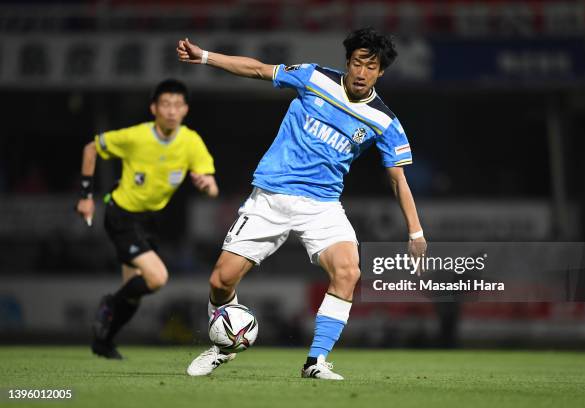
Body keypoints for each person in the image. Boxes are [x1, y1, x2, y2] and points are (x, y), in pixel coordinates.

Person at [176, 27, 427, 380]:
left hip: (321, 206)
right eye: (357, 63)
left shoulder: (385, 121)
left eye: (371, 67)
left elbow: (398, 179)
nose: (361, 72)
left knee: (348, 270)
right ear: (348, 62)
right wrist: (204, 56)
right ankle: (225, 345)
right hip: (271, 197)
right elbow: (258, 69)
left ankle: (316, 362)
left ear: (381, 72)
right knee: (220, 280)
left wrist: (415, 232)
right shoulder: (314, 77)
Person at [75, 79, 219, 359]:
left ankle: (103, 342)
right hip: (121, 215)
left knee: (134, 292)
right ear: (154, 108)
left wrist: (206, 186)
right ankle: (109, 304)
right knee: (157, 277)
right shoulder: (136, 137)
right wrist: (85, 195)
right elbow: (90, 149)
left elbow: (212, 187)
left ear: (185, 109)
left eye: (177, 105)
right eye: (165, 104)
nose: (171, 111)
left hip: (149, 221)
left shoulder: (191, 142)